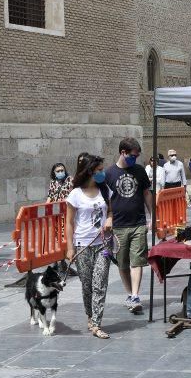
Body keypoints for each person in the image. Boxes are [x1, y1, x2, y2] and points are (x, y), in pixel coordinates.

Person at [65, 154, 112, 339]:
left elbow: (111, 211)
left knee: (100, 283)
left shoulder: (105, 190)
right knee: (87, 285)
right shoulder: (75, 194)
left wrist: (109, 219)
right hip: (83, 244)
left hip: (103, 244)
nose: (103, 173)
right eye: (99, 170)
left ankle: (97, 323)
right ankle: (90, 316)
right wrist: (70, 248)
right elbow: (68, 223)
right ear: (90, 171)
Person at [105, 137, 152, 314]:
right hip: (118, 226)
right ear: (123, 153)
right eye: (133, 156)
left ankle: (135, 295)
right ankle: (129, 294)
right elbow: (105, 201)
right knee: (122, 263)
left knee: (137, 261)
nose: (135, 159)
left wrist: (152, 216)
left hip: (138, 224)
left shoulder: (139, 171)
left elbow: (147, 193)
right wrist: (107, 220)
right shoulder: (109, 174)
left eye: (137, 156)